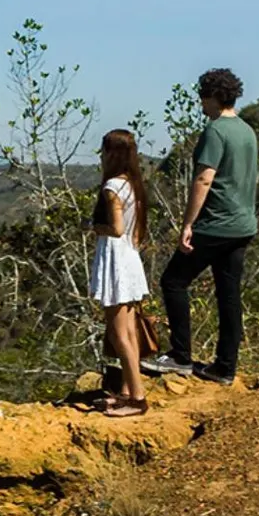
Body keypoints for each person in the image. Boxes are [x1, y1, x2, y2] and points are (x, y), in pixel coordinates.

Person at [143, 68, 258, 385]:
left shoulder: (216, 131)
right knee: (229, 294)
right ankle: (225, 366)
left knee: (174, 281)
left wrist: (188, 223)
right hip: (243, 224)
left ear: (214, 97)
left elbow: (204, 178)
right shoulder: (247, 131)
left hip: (216, 223)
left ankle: (180, 356)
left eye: (203, 98)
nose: (200, 105)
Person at [85, 128, 151, 417]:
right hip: (129, 258)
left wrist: (92, 228)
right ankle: (127, 391)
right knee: (129, 331)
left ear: (111, 153)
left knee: (118, 333)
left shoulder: (112, 187)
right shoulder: (132, 183)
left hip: (115, 261)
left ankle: (137, 397)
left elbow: (116, 228)